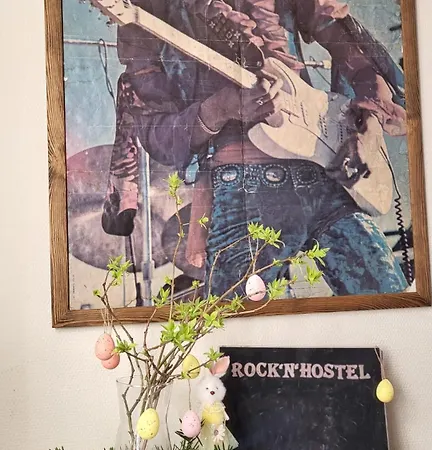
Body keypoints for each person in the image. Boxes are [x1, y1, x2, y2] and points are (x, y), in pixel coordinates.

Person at [102, 0, 408, 298]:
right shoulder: (147, 8)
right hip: (245, 191)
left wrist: (368, 128)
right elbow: (156, 134)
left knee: (391, 306)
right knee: (240, 329)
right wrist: (219, 109)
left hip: (327, 178)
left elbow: (359, 60)